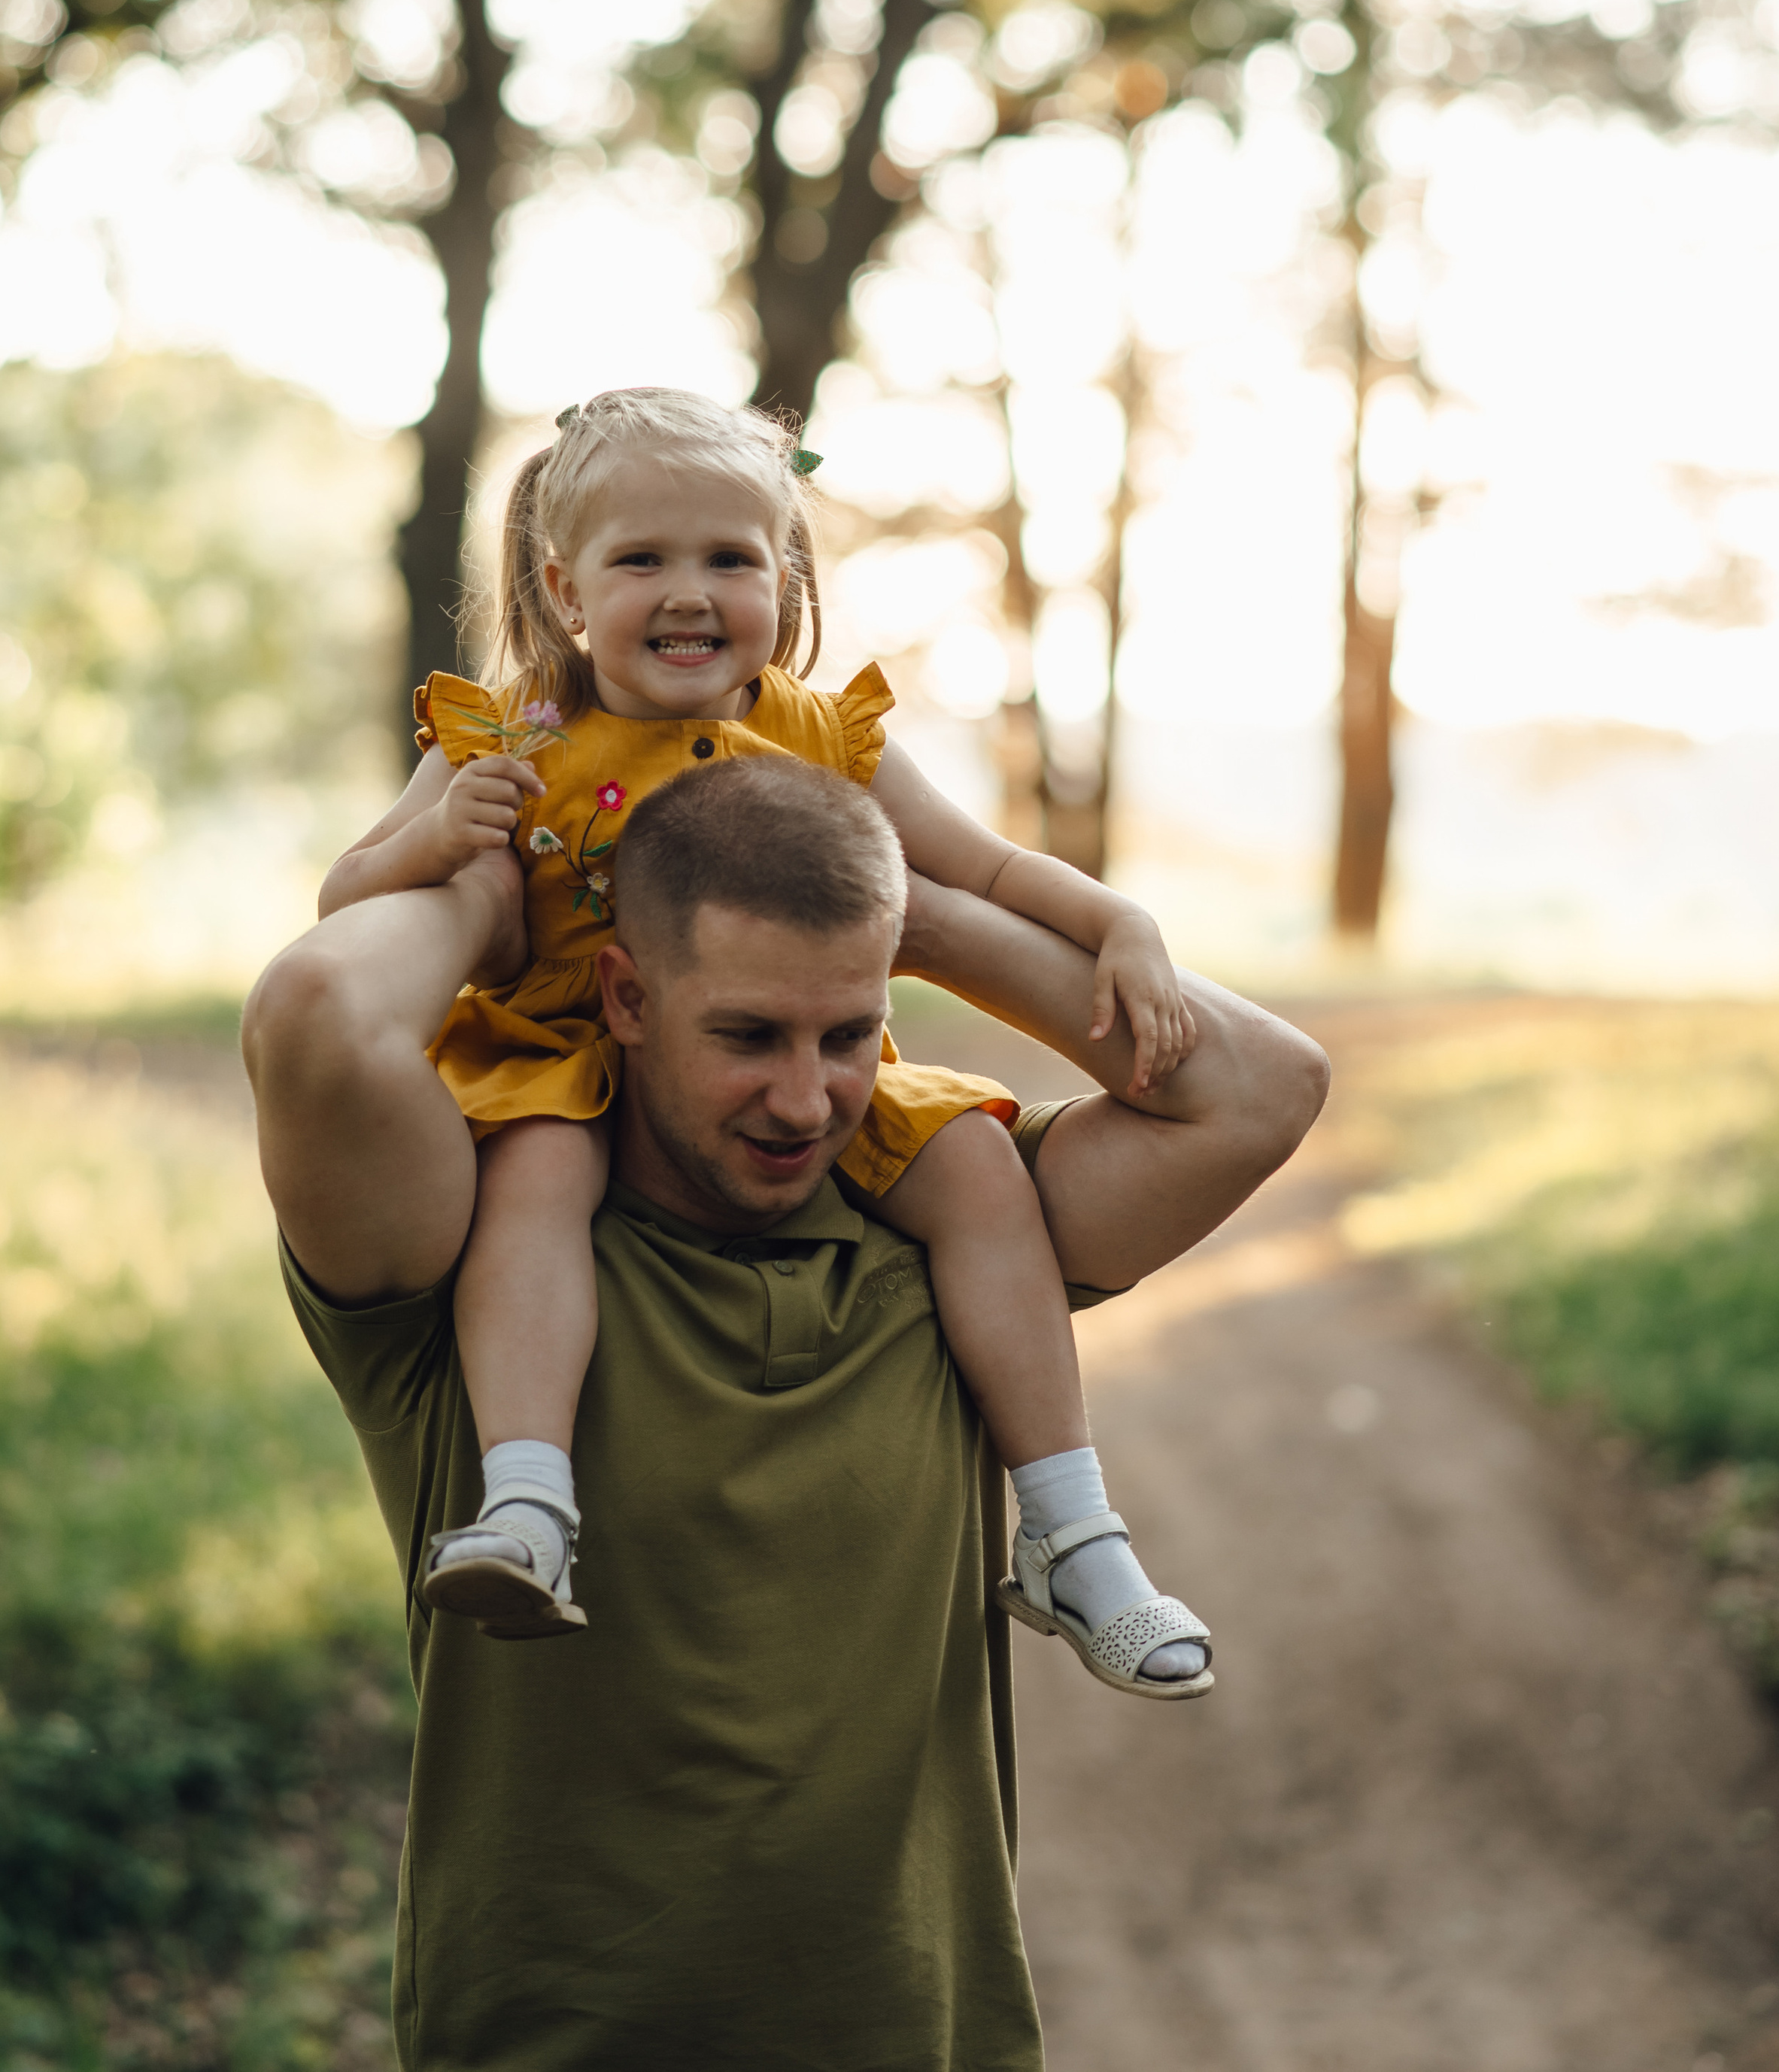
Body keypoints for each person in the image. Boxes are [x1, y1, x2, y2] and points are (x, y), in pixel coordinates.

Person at [244, 754, 1329, 2072]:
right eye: (750, 1035)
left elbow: (1262, 1085)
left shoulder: (955, 1244)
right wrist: (493, 898)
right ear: (627, 994)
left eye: (850, 1035)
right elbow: (312, 1009)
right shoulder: (477, 1271)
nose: (808, 1100)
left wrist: (921, 912)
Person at [320, 388, 1210, 1694]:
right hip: (570, 1056)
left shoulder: (814, 730)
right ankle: (527, 1506)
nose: (692, 593)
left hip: (786, 1056)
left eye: (730, 557)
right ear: (565, 588)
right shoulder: (519, 731)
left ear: (783, 575)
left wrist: (1118, 918)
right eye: (644, 560)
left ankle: (1072, 1530)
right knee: (535, 1184)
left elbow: (984, 865)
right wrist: (437, 838)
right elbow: (344, 899)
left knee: (976, 1169)